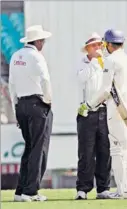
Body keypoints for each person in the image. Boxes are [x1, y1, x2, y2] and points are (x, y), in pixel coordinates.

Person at [86, 29, 127, 199]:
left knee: (117, 150)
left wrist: (89, 104)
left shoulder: (111, 60)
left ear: (108, 44)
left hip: (117, 109)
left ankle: (125, 190)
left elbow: (105, 90)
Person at [9, 25, 53, 202]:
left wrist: (15, 109)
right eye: (42, 40)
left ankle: (21, 191)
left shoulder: (15, 56)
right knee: (37, 149)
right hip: (37, 104)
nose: (43, 43)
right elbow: (45, 80)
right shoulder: (36, 56)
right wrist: (48, 101)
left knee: (28, 148)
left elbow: (12, 85)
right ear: (38, 41)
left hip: (21, 105)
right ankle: (31, 191)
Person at [76, 32, 111, 200]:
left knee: (104, 151)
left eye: (100, 45)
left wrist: (101, 61)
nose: (98, 48)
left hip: (104, 111)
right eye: (94, 45)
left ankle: (103, 188)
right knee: (86, 152)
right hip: (86, 112)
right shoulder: (82, 63)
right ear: (87, 49)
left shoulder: (107, 62)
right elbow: (82, 78)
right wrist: (95, 62)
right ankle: (82, 189)